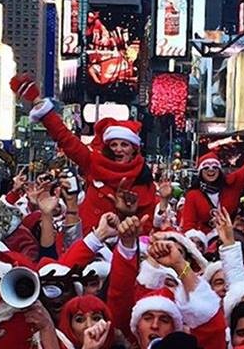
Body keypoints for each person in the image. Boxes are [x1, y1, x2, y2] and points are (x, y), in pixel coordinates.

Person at [11, 73, 156, 233]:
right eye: (113, 144)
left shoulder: (144, 179)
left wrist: (126, 214)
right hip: (86, 238)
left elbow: (146, 230)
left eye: (124, 145)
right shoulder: (94, 163)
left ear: (134, 149)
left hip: (121, 247)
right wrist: (38, 103)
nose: (118, 149)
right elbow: (66, 139)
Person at [180, 148, 244, 233]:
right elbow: (188, 225)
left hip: (232, 236)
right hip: (206, 240)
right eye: (206, 168)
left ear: (219, 170)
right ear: (200, 172)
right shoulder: (193, 195)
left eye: (215, 167)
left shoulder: (231, 185)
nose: (211, 170)